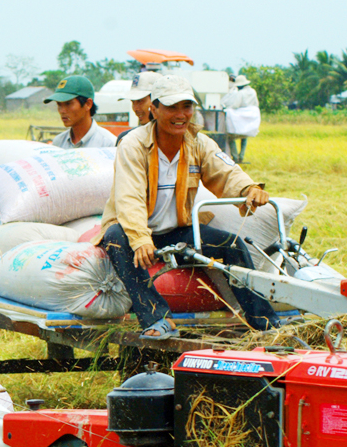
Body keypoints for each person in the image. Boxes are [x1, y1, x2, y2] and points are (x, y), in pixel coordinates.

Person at [97, 75, 280, 340]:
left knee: (232, 245)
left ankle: (266, 323)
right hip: (132, 229)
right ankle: (157, 318)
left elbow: (225, 172)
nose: (181, 115)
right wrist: (140, 239)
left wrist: (248, 189)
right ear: (154, 109)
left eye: (187, 106)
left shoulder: (198, 143)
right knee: (114, 238)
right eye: (172, 107)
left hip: (176, 231)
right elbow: (130, 198)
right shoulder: (134, 144)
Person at [45, 75, 118, 149]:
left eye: (68, 104)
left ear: (88, 104)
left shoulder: (108, 144)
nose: (62, 111)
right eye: (59, 105)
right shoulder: (59, 142)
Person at [114, 70, 161, 146]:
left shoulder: (178, 138)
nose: (135, 108)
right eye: (133, 102)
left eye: (140, 101)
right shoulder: (127, 140)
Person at [224, 74, 260, 163]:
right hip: (250, 117)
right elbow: (256, 104)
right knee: (244, 137)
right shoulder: (253, 91)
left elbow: (236, 105)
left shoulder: (241, 93)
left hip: (241, 116)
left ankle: (235, 157)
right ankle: (241, 156)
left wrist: (227, 108)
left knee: (230, 137)